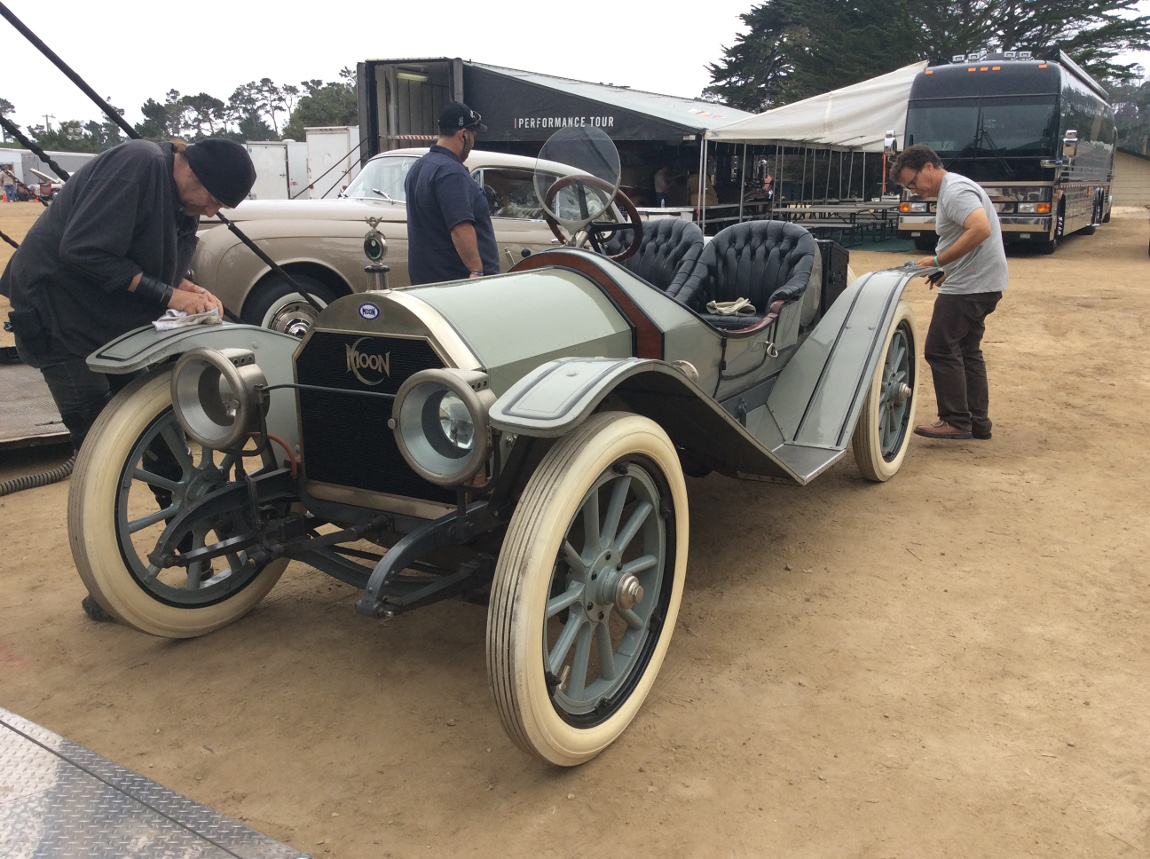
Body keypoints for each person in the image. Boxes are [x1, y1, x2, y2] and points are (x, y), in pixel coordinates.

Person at [0, 137, 255, 621]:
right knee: (100, 451)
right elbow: (86, 252)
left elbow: (142, 257)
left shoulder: (177, 196)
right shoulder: (136, 165)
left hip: (104, 320)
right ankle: (116, 586)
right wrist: (169, 295)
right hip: (58, 320)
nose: (212, 210)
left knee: (155, 433)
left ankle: (192, 541)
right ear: (194, 176)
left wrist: (185, 285)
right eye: (215, 201)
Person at [888, 143, 1008, 441]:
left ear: (928, 166)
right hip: (982, 282)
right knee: (968, 351)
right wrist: (946, 269)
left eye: (912, 181)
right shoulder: (954, 188)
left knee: (940, 348)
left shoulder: (954, 191)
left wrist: (939, 261)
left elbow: (980, 229)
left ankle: (956, 420)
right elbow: (970, 233)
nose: (912, 189)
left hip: (970, 286)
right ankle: (977, 422)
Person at [404, 102, 500, 285]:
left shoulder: (418, 167)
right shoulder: (451, 173)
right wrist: (477, 271)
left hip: (428, 284)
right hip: (458, 287)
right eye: (473, 135)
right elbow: (460, 226)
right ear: (463, 134)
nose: (473, 142)